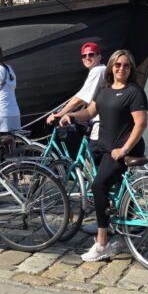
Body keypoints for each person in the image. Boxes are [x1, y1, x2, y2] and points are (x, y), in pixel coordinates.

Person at [60, 49, 147, 262]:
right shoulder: (105, 90)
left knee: (98, 185)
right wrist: (70, 115)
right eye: (118, 65)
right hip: (108, 149)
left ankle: (102, 242)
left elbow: (141, 123)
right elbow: (89, 112)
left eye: (126, 66)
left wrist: (125, 149)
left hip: (125, 150)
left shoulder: (134, 92)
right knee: (109, 189)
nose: (122, 69)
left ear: (131, 69)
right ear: (111, 67)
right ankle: (119, 229)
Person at [47, 41, 106, 234]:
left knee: (97, 176)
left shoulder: (98, 71)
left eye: (92, 55)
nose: (88, 58)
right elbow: (86, 100)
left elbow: (81, 98)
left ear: (99, 56)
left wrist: (60, 113)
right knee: (99, 170)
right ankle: (111, 215)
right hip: (103, 123)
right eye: (85, 56)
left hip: (101, 126)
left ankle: (103, 222)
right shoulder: (100, 71)